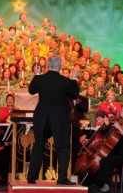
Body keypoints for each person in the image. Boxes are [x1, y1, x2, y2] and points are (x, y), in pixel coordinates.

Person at [27, 55, 79, 185]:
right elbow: (74, 94)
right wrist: (74, 78)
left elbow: (31, 90)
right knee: (63, 147)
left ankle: (31, 177)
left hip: (41, 117)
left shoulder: (40, 79)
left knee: (39, 145)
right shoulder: (66, 81)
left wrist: (37, 74)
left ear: (48, 66)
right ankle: (61, 178)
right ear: (59, 66)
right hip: (59, 118)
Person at [97, 105, 123, 192]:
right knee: (104, 159)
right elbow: (109, 135)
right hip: (119, 153)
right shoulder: (120, 123)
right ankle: (98, 183)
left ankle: (105, 184)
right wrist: (106, 125)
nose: (122, 111)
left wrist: (119, 129)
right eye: (122, 110)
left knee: (105, 161)